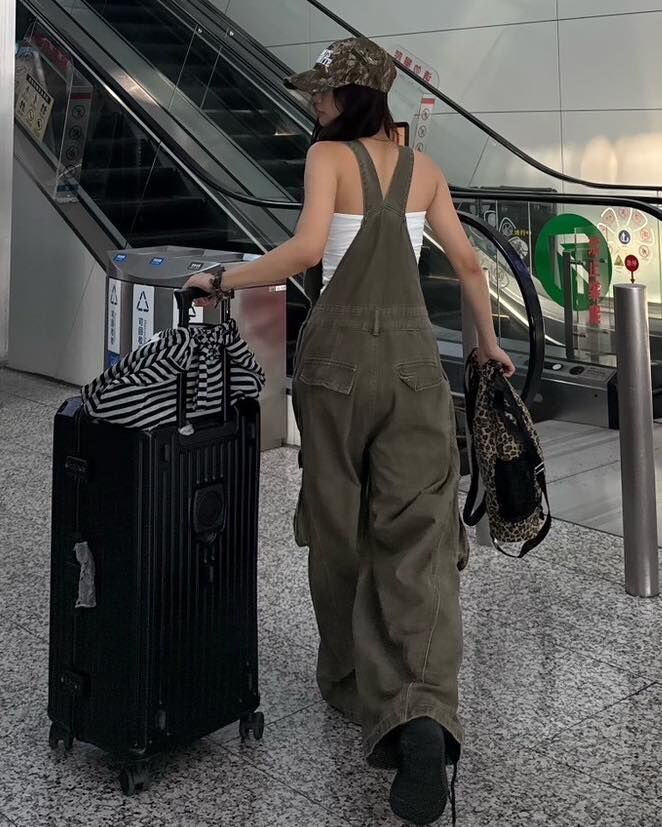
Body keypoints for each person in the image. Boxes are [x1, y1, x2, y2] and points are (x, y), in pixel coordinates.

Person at [185, 37, 514, 826]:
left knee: (337, 523)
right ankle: (421, 708)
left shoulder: (326, 157)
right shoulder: (424, 170)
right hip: (413, 369)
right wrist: (488, 344)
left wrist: (221, 278)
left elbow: (306, 250)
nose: (314, 102)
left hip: (335, 369)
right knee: (419, 533)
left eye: (323, 92)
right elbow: (469, 265)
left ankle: (354, 684)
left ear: (349, 97)